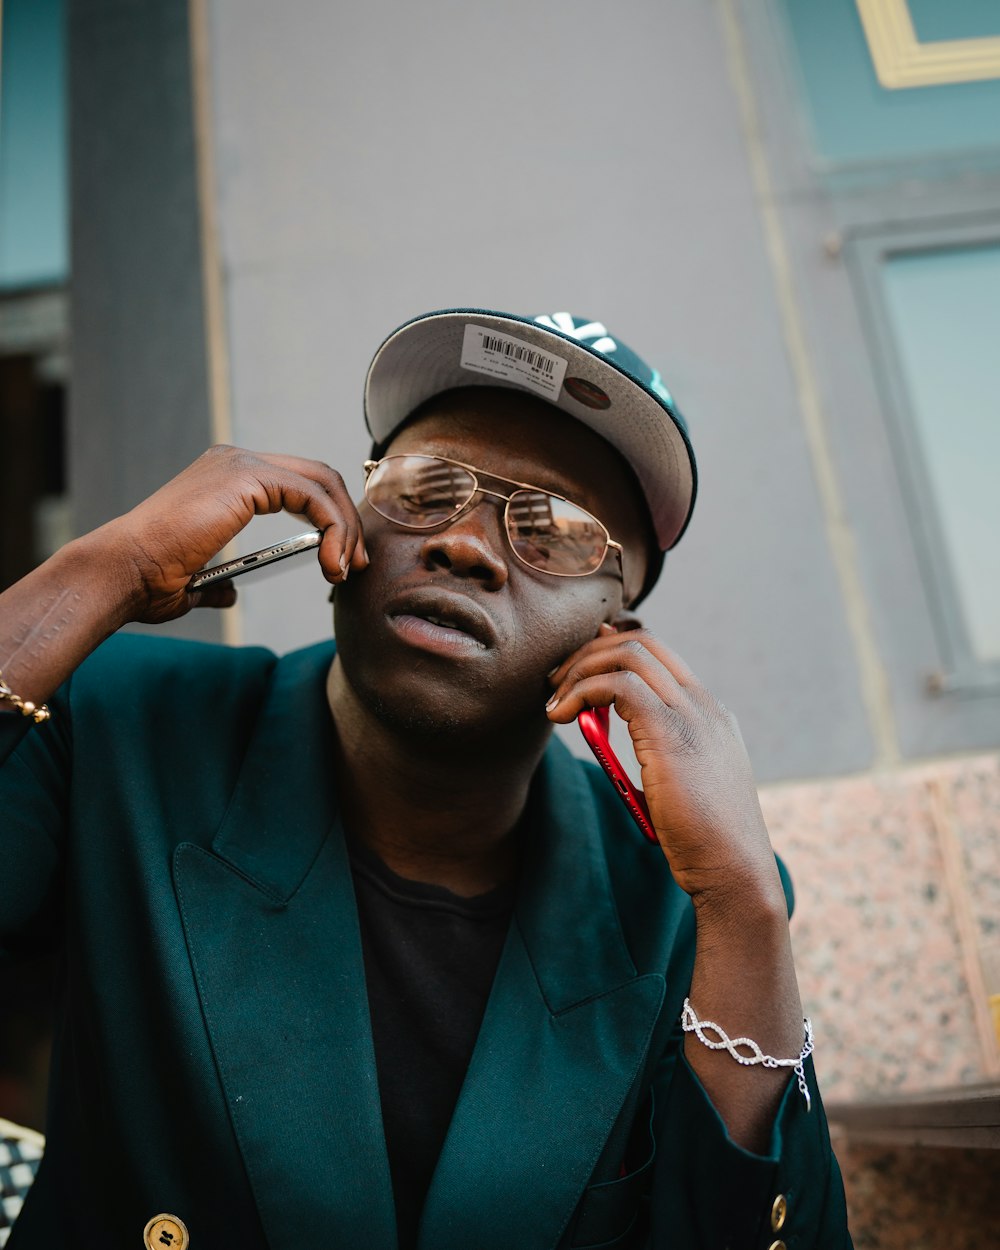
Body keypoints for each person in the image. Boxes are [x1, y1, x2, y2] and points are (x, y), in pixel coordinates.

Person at [0, 309, 852, 1249]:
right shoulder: (121, 724)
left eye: (558, 527)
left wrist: (744, 901)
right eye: (427, 485)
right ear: (346, 527)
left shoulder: (679, 906)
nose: (468, 545)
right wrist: (98, 571)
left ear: (616, 639)